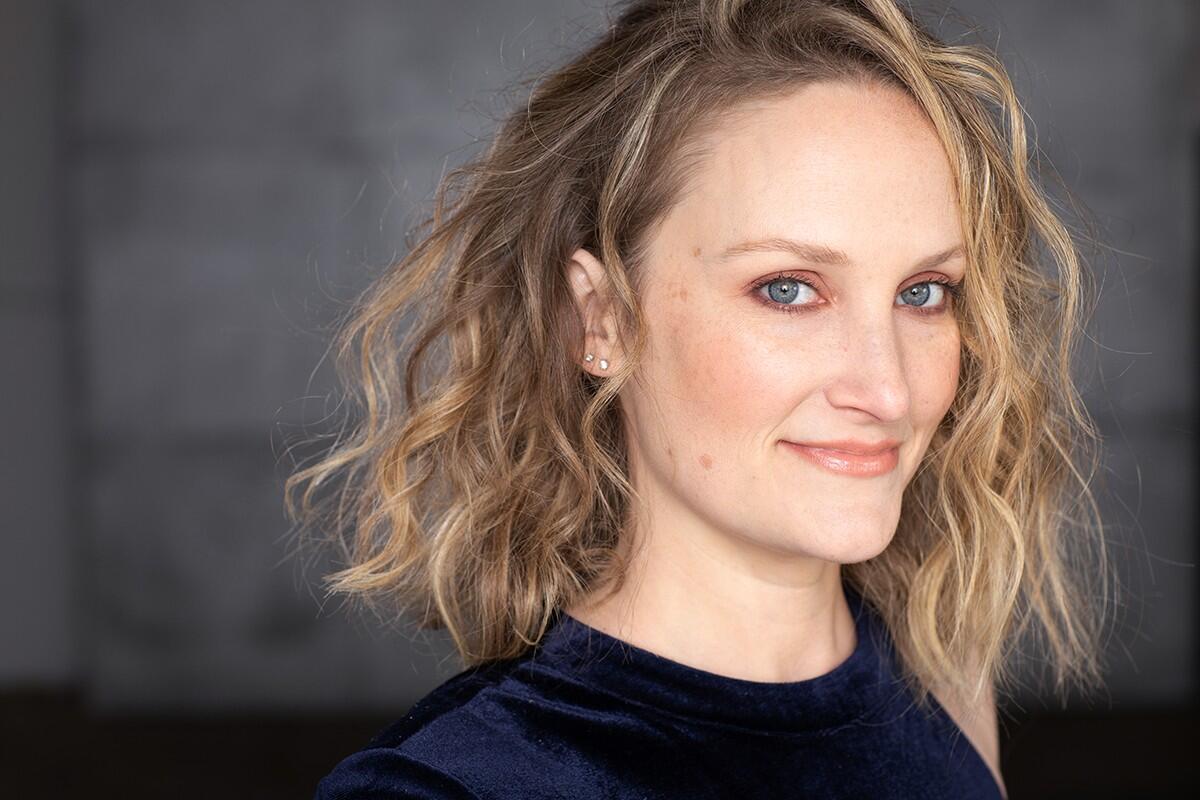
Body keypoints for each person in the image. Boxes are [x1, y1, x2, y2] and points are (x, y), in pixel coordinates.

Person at [286, 0, 1116, 797]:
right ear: (601, 317)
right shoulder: (451, 787)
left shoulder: (945, 703)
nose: (888, 388)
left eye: (925, 292)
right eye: (788, 289)